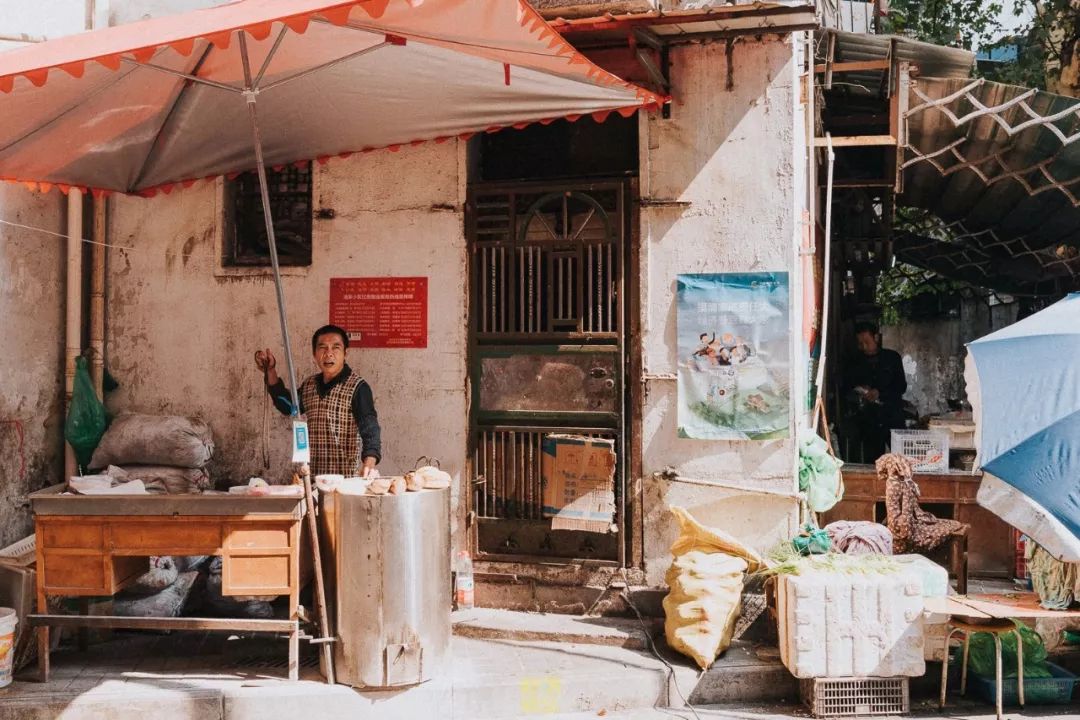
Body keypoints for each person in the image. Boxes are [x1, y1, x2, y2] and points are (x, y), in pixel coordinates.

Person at [255, 324, 381, 477]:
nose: (329, 354)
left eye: (336, 348)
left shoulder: (358, 387)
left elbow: (370, 427)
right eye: (323, 348)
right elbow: (287, 406)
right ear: (314, 354)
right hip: (313, 479)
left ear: (345, 353)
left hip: (344, 480)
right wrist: (270, 371)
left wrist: (369, 462)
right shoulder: (309, 385)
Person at [843, 321, 907, 460]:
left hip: (892, 416)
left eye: (867, 341)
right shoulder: (856, 362)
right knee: (873, 462)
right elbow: (848, 386)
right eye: (860, 343)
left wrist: (880, 393)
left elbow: (901, 386)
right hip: (869, 420)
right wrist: (861, 392)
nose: (864, 347)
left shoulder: (892, 358)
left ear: (876, 337)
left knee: (901, 459)